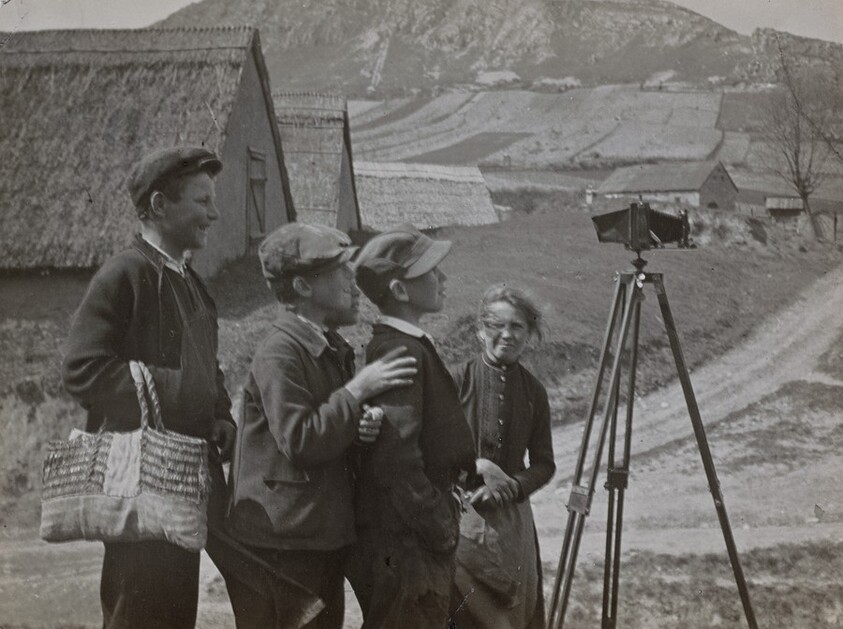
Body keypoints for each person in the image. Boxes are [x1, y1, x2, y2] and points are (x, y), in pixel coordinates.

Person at [61, 146, 237, 629]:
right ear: (160, 206)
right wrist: (178, 393)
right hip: (139, 482)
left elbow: (208, 367)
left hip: (184, 481)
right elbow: (82, 369)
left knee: (174, 614)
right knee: (138, 614)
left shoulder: (191, 282)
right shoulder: (126, 275)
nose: (214, 214)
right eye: (202, 202)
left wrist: (219, 414)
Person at [223, 223, 418, 629]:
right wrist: (356, 392)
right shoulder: (280, 352)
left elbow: (322, 425)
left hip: (314, 535)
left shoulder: (326, 345)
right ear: (303, 287)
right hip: (282, 545)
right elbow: (300, 441)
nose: (353, 282)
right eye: (340, 272)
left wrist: (356, 427)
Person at [347, 223, 477, 629]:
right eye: (431, 272)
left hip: (409, 537)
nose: (442, 279)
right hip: (407, 542)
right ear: (400, 291)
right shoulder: (400, 349)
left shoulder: (408, 343)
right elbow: (397, 458)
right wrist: (437, 521)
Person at [448, 284, 556, 629]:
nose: (506, 335)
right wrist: (474, 465)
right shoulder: (455, 380)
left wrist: (512, 485)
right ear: (480, 330)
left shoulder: (534, 392)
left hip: (511, 523)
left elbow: (544, 463)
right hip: (456, 515)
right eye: (496, 325)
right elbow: (427, 447)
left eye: (517, 327)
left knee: (514, 615)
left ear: (529, 334)